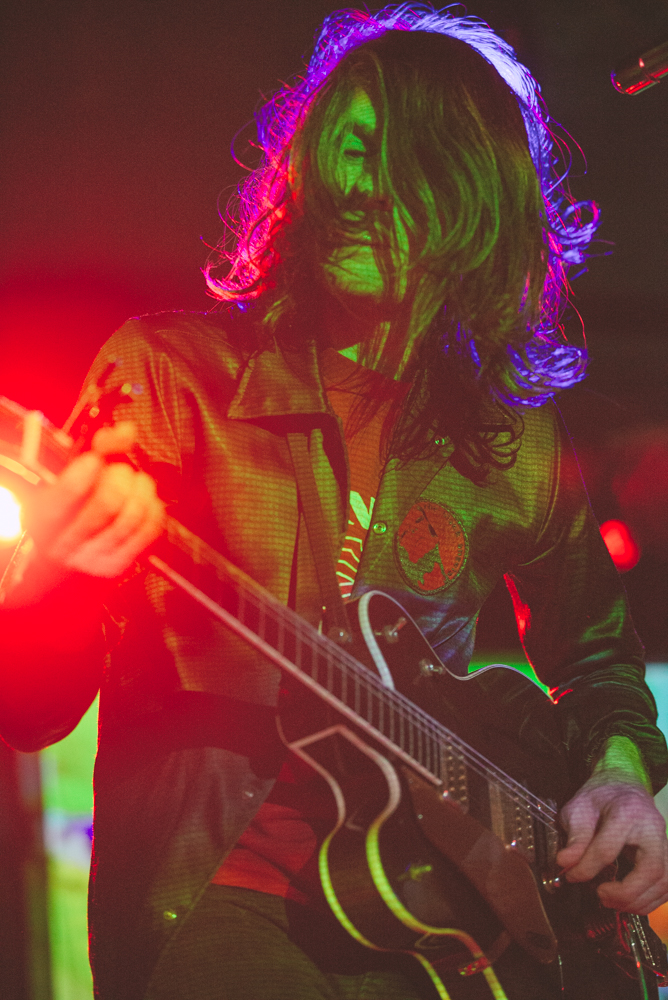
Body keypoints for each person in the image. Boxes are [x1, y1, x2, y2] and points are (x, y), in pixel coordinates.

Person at [1, 6, 667, 999]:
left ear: (475, 194)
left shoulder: (510, 441)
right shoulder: (171, 380)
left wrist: (618, 770)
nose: (355, 186)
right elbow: (34, 710)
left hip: (446, 928)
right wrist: (46, 581)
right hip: (214, 914)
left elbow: (598, 658)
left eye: (394, 157)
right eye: (340, 150)